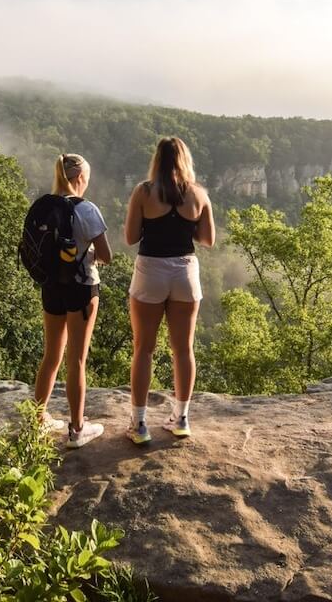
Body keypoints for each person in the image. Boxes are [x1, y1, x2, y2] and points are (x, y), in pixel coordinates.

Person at [124, 137, 215, 444]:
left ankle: (138, 425)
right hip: (185, 270)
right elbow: (208, 239)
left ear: (157, 160)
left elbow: (131, 237)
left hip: (151, 269)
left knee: (144, 349)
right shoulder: (198, 194)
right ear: (185, 159)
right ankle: (182, 419)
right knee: (183, 349)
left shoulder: (144, 192)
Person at [33, 153, 112, 448]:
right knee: (76, 360)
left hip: (51, 286)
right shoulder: (87, 209)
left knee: (51, 356)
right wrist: (88, 254)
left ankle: (37, 422)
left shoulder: (45, 205)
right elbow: (106, 256)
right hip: (81, 288)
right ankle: (77, 429)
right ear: (80, 178)